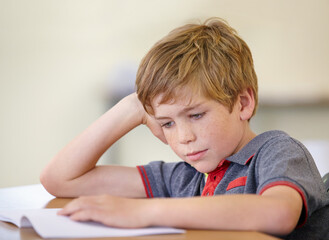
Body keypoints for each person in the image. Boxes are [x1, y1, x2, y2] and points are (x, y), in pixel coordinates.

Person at [40, 18, 329, 238]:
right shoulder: (186, 178)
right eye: (167, 122)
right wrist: (132, 107)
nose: (184, 138)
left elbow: (278, 213)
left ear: (242, 103)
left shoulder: (276, 151)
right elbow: (61, 179)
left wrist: (143, 211)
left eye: (196, 115)